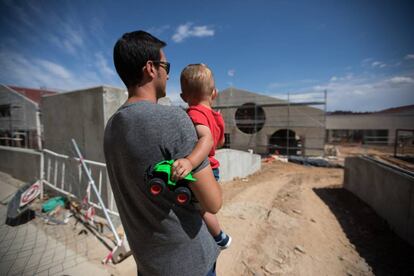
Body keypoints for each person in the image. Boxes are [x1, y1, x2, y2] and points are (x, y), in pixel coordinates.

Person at [104, 30, 222, 276]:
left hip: (149, 265)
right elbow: (213, 202)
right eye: (165, 66)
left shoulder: (112, 127)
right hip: (190, 264)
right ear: (150, 68)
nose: (168, 74)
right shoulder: (171, 119)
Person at [171, 64, 231, 249]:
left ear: (183, 97)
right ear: (214, 93)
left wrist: (190, 161)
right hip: (214, 167)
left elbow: (207, 139)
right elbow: (219, 142)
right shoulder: (216, 116)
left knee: (202, 210)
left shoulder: (194, 112)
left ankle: (221, 238)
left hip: (205, 168)